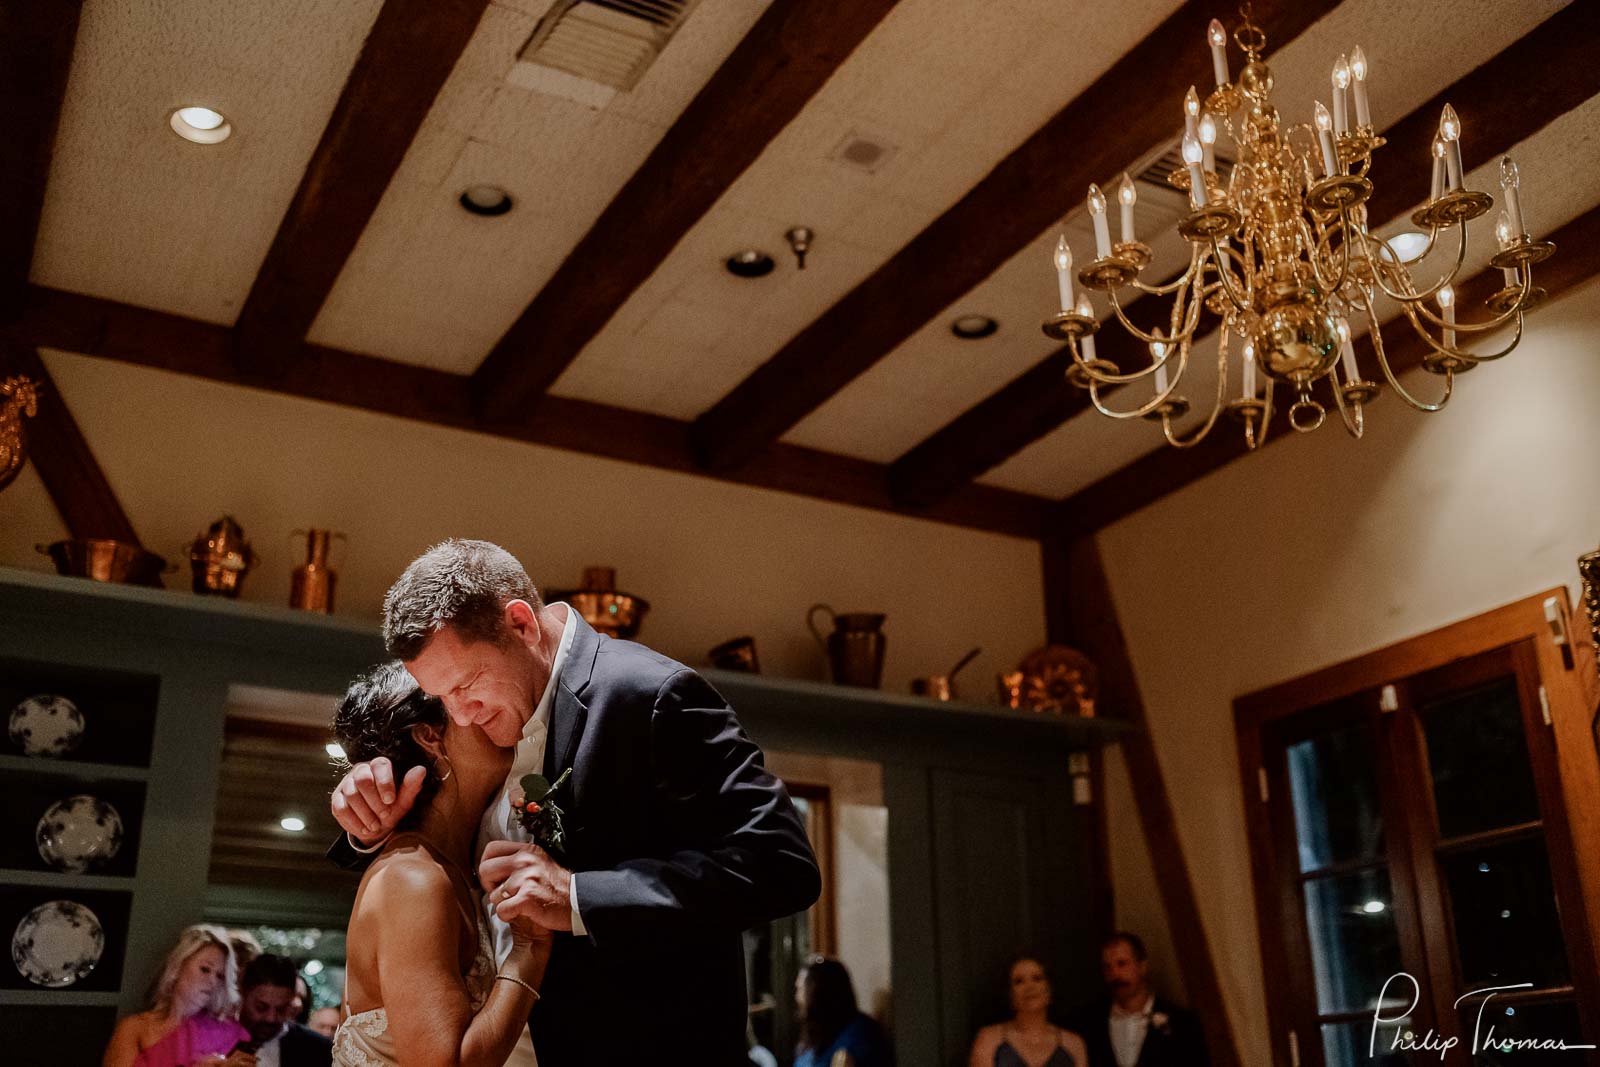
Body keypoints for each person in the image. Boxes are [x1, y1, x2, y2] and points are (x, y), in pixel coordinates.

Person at [328, 540, 821, 1064]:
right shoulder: (485, 729)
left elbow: (781, 864)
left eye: (468, 684)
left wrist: (581, 897)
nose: (462, 716)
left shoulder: (650, 696)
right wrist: (372, 820)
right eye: (442, 698)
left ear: (521, 623)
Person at [330, 661, 553, 1066]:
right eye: (464, 698)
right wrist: (531, 947)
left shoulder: (461, 865)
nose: (486, 707)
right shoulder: (412, 878)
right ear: (430, 735)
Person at [103, 924, 252, 1067]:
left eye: (220, 976)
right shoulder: (134, 1028)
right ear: (178, 966)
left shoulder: (229, 1033)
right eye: (205, 969)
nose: (212, 981)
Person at [1066, 933, 1209, 1067]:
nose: (1115, 974)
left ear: (1142, 966)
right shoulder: (1088, 1025)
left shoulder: (1182, 1023)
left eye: (1122, 964)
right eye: (1107, 967)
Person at [968, 957, 1088, 1067]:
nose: (1029, 987)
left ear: (1049, 991)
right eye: (1019, 981)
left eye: (1037, 978)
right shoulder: (989, 1039)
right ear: (1010, 995)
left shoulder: (1073, 1044)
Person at [794, 957, 890, 1067]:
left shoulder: (860, 1036)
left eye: (801, 989)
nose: (797, 997)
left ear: (821, 993)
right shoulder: (816, 1035)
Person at [238, 954, 333, 1067]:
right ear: (242, 995)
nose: (271, 1018)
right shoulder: (216, 1038)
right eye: (261, 1008)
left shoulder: (318, 1050)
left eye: (281, 1009)